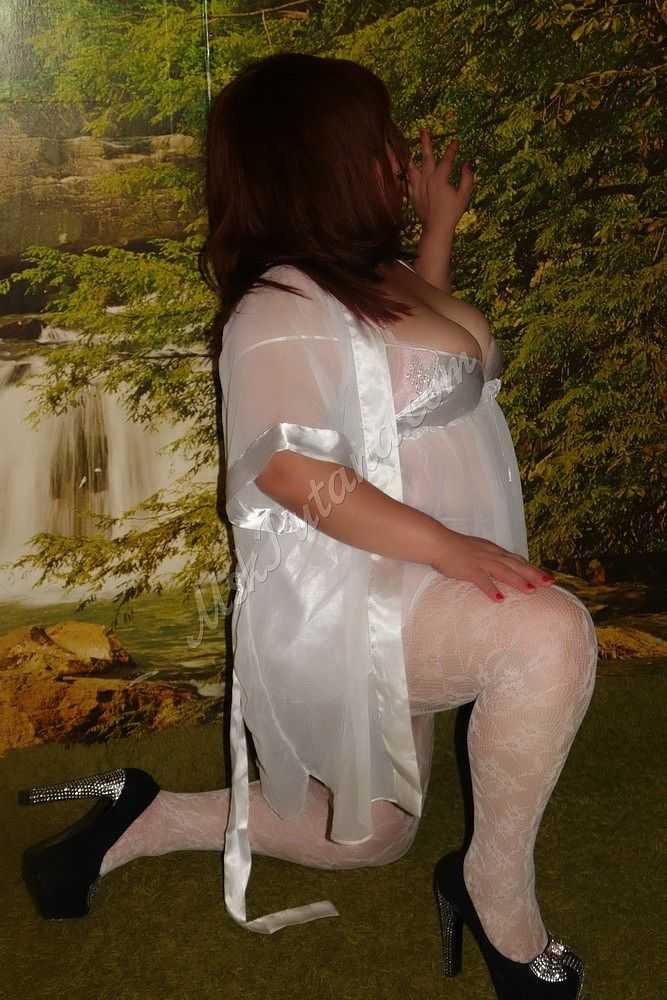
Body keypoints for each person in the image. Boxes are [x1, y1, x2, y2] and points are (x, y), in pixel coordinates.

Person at [19, 52, 598, 1000]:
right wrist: (452, 549)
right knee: (548, 637)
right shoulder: (277, 306)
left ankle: (142, 815)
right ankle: (495, 896)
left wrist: (437, 232)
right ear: (321, 160)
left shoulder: (373, 277)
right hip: (356, 591)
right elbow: (287, 470)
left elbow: (416, 389)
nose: (397, 155)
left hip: (419, 570)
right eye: (380, 140)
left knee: (370, 838)